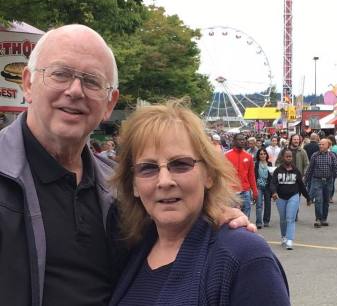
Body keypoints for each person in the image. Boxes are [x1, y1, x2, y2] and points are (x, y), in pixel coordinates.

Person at [0, 24, 255, 306]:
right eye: (60, 74)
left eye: (92, 81)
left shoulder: (119, 188)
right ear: (27, 83)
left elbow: (170, 231)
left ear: (110, 103)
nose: (75, 90)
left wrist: (211, 218)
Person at [109, 101, 290, 306]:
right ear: (133, 184)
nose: (164, 181)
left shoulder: (244, 258)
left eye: (180, 164)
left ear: (209, 175)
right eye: (148, 168)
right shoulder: (133, 247)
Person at [270, 148, 311, 250]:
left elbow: (301, 185)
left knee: (290, 218)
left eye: (290, 157)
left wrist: (308, 197)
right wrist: (274, 193)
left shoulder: (296, 171)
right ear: (283, 157)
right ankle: (284, 237)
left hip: (293, 196)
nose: (289, 158)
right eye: (287, 156)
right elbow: (273, 184)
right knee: (283, 219)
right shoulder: (277, 171)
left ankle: (289, 239)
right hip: (280, 197)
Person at [304, 138, 337, 228]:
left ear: (328, 146)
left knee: (326, 201)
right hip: (317, 180)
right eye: (320, 144)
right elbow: (310, 169)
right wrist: (305, 181)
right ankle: (318, 219)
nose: (321, 146)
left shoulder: (332, 155)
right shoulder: (315, 155)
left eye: (323, 144)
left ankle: (324, 219)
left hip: (328, 181)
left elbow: (335, 168)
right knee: (318, 200)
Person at [226, 133, 258, 218]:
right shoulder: (226, 155)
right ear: (234, 141)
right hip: (231, 191)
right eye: (239, 139)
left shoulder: (248, 157)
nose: (242, 141)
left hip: (245, 191)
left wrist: (255, 191)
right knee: (232, 216)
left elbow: (251, 175)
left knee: (245, 216)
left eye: (243, 139)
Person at [254, 148, 272, 229]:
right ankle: (259, 222)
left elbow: (272, 176)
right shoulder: (256, 164)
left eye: (264, 154)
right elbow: (254, 176)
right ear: (258, 155)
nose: (263, 155)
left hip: (268, 187)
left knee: (268, 204)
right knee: (259, 204)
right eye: (261, 154)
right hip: (259, 186)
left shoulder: (270, 164)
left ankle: (266, 221)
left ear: (266, 155)